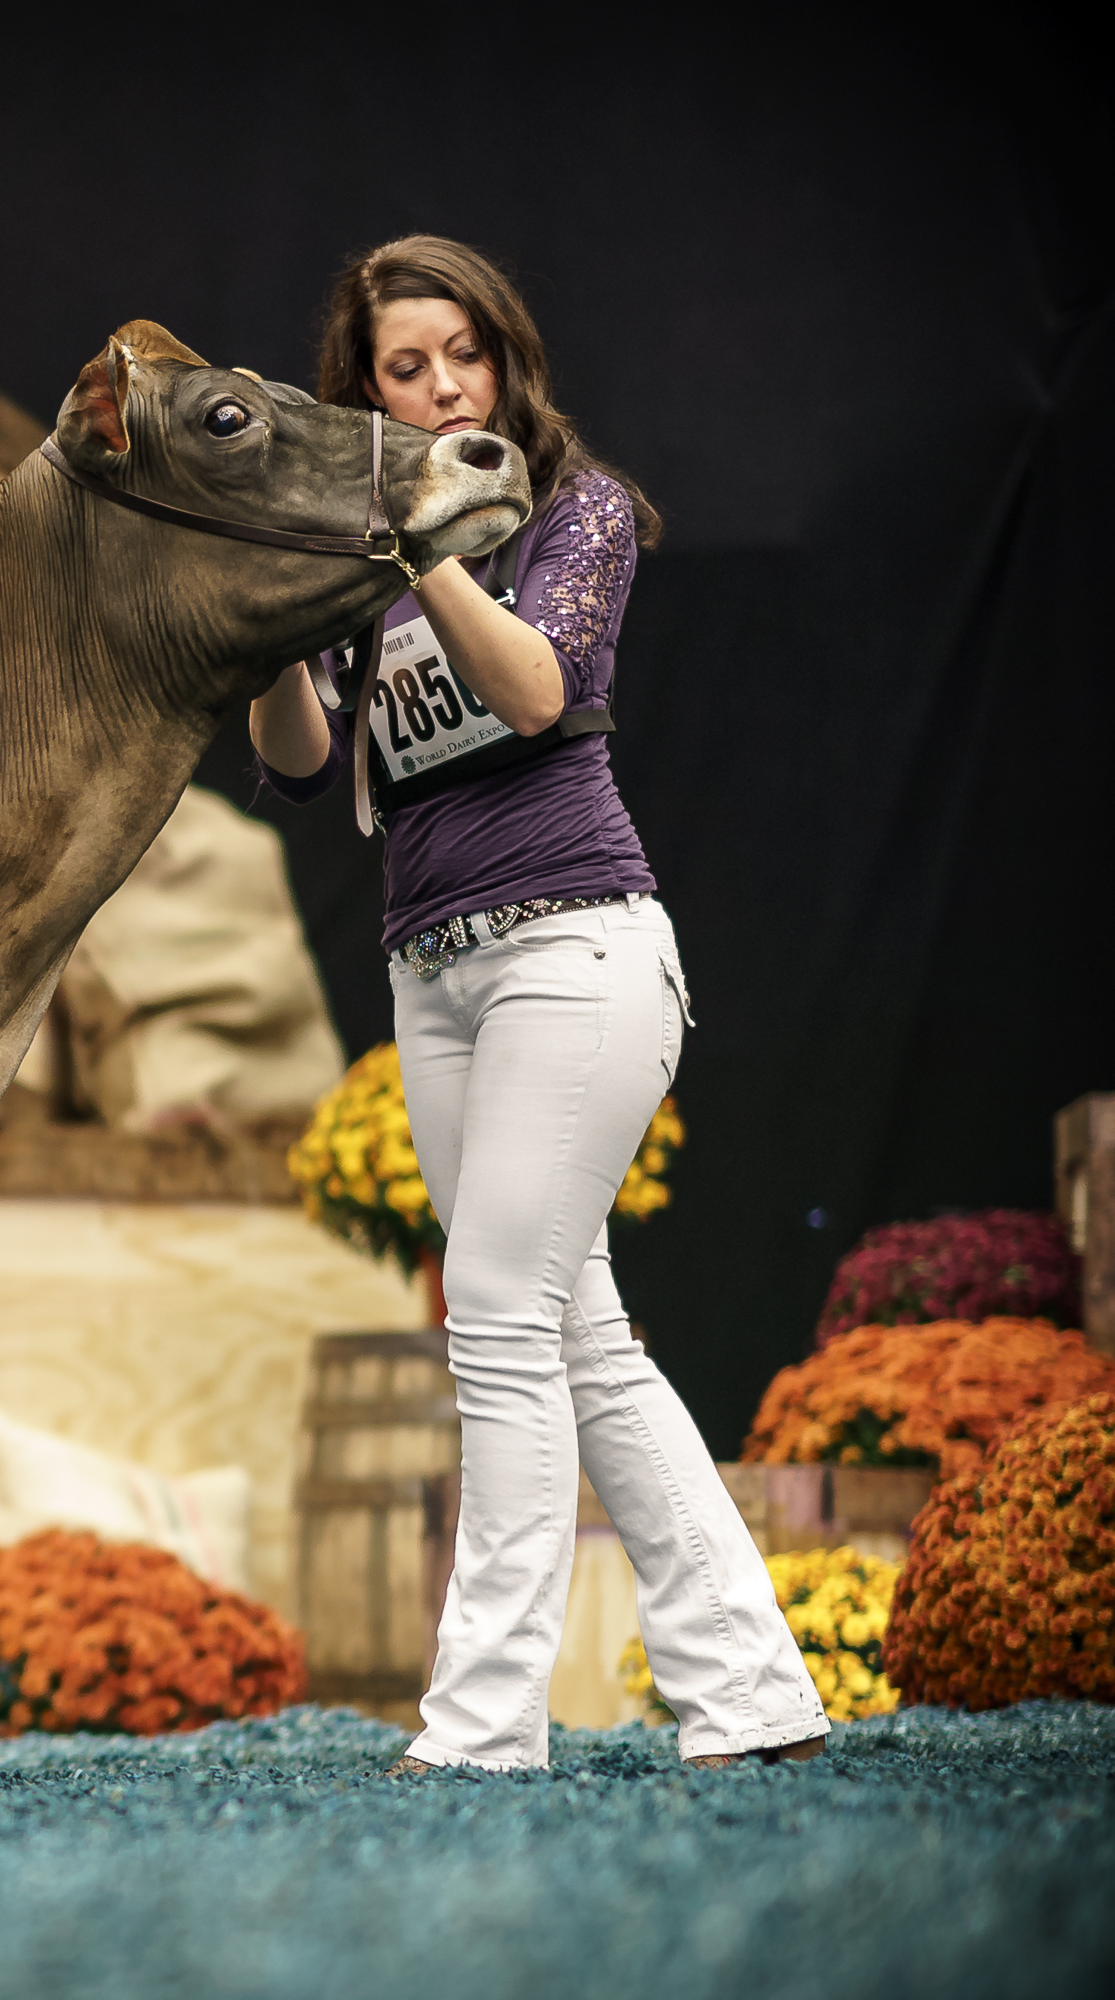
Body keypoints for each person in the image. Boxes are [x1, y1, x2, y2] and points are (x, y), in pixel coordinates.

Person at [250, 236, 827, 1772]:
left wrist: (414, 550)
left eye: (467, 353)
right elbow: (302, 763)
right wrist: (272, 609)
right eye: (406, 367)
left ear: (507, 358)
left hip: (578, 951)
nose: (444, 385)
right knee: (582, 1340)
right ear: (365, 392)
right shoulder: (358, 565)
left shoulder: (578, 509)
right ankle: (753, 1690)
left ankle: (483, 1725)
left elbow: (537, 691)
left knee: (497, 1318)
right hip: (431, 975)